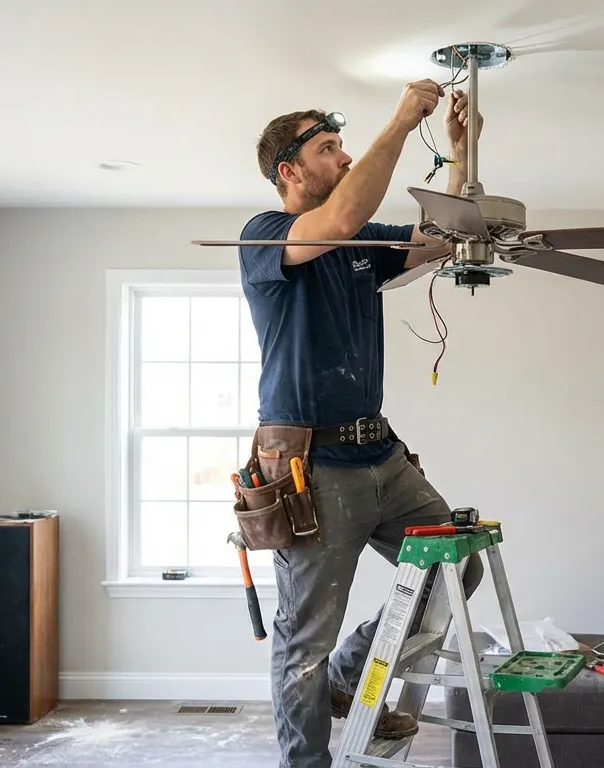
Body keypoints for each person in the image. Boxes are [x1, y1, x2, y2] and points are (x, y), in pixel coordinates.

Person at [238, 80, 487, 768]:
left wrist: (462, 160)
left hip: (380, 456)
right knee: (304, 639)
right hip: (309, 469)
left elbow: (446, 237)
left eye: (343, 145)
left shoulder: (357, 248)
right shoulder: (264, 237)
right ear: (289, 171)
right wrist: (405, 119)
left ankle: (352, 677)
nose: (344, 158)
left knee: (456, 564)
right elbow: (341, 218)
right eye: (328, 148)